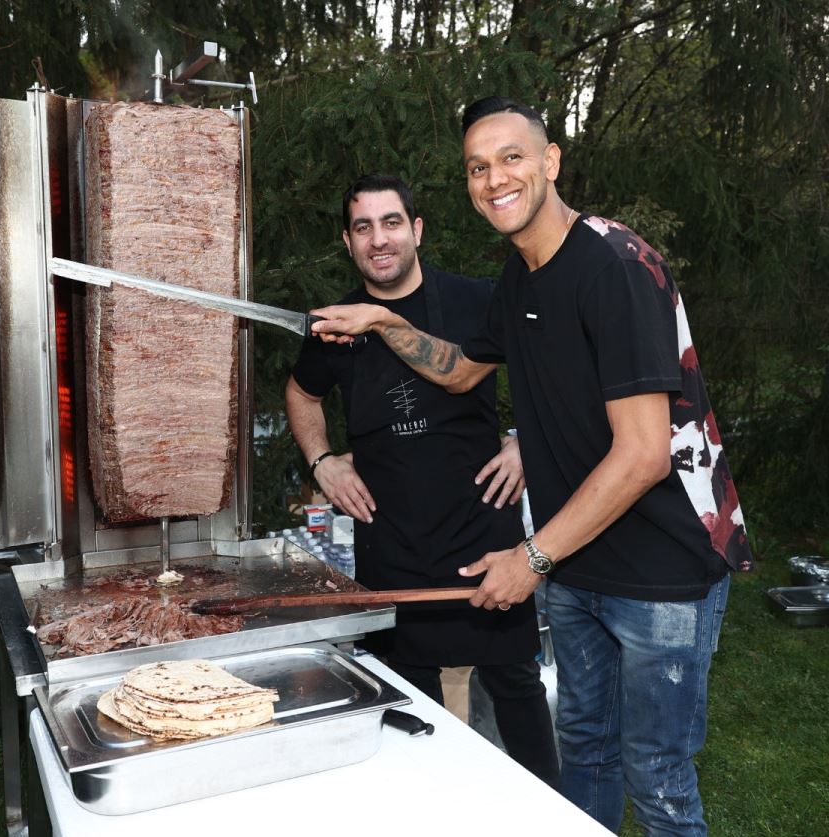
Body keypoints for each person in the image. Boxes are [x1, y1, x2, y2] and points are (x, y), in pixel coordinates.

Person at [309, 99, 751, 835]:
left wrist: (533, 556)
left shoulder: (613, 264)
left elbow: (644, 454)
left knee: (660, 780)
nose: (494, 178)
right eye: (478, 167)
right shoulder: (520, 277)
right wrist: (385, 321)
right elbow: (456, 370)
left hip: (662, 566)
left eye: (511, 157)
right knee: (586, 756)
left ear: (550, 162)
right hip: (581, 568)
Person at [286, 173, 559, 785]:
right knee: (404, 697)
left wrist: (525, 442)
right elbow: (302, 394)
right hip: (391, 537)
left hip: (481, 528)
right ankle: (427, 805)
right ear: (348, 242)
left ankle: (547, 809)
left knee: (515, 682)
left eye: (390, 223)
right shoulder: (336, 324)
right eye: (363, 227)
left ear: (416, 230)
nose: (378, 239)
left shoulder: (476, 299)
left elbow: (558, 371)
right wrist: (323, 461)